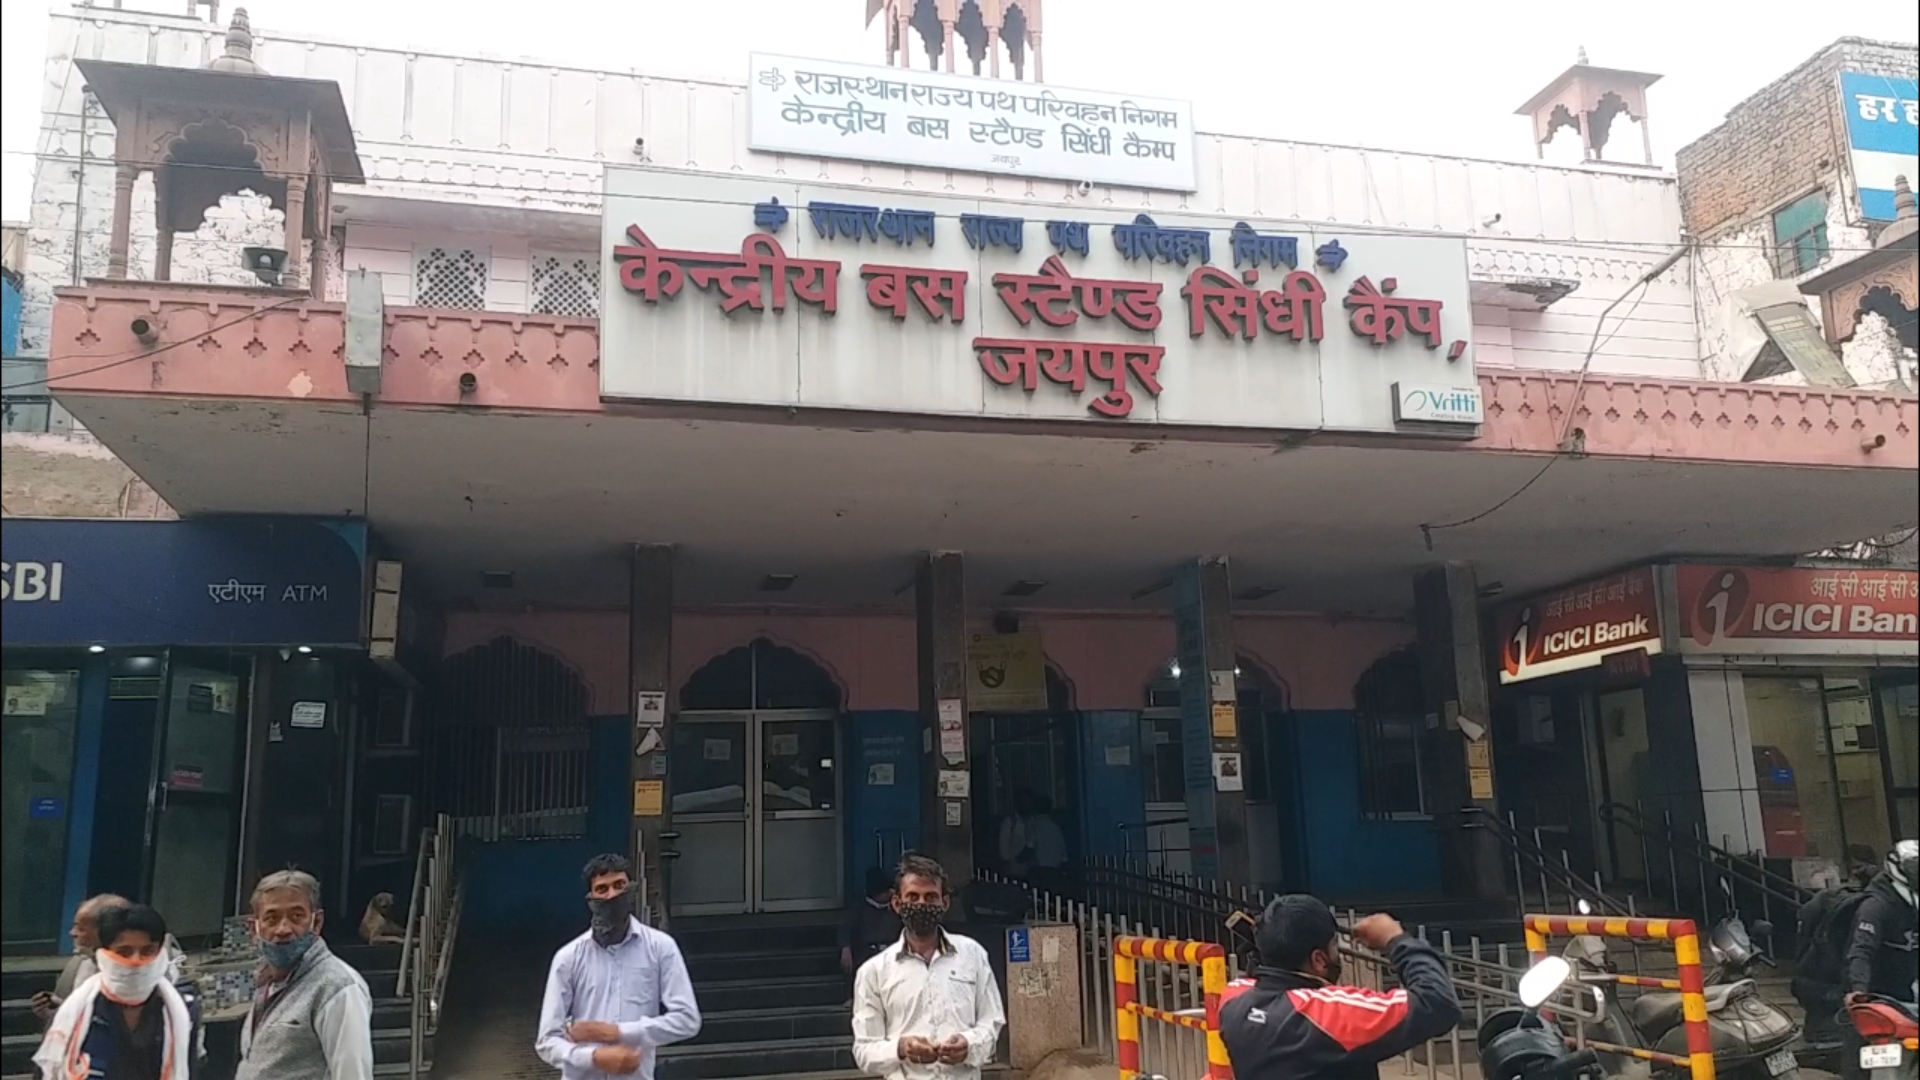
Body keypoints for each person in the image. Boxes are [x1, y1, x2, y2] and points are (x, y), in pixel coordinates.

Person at [1219, 895, 1462, 1080]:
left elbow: (1260, 980)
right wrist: (1396, 939)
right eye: (1334, 945)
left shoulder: (1233, 1000)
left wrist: (1270, 948)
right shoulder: (1325, 1016)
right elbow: (1436, 1003)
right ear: (1318, 960)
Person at [536, 853, 702, 1078]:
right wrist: (593, 1057)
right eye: (602, 889)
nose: (612, 894)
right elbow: (547, 1041)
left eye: (619, 885)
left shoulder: (661, 948)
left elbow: (687, 1020)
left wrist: (618, 1032)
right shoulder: (569, 958)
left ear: (631, 890)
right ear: (590, 898)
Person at [851, 853, 1006, 1080]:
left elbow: (992, 1023)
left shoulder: (972, 955)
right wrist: (901, 1048)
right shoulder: (873, 972)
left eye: (931, 897)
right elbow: (864, 1051)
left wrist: (968, 1045)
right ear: (896, 903)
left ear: (944, 903)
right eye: (912, 897)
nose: (921, 904)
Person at [33, 902, 202, 1080]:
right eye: (124, 952)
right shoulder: (74, 1013)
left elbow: (190, 1069)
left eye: (147, 951)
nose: (136, 961)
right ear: (103, 954)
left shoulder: (182, 1012)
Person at [235, 869, 375, 1080]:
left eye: (296, 916)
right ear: (253, 929)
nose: (283, 929)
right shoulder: (267, 981)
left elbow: (352, 1074)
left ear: (316, 923)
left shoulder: (337, 987)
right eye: (271, 919)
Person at [1841, 840, 1919, 1077]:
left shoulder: (1911, 904)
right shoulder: (1875, 906)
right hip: (1871, 996)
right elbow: (1861, 950)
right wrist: (1858, 989)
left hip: (1906, 991)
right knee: (1858, 1063)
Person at [32, 894, 129, 1028]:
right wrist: (51, 1011)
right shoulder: (76, 964)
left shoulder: (135, 976)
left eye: (81, 928)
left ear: (108, 931)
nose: (72, 933)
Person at [842, 869, 900, 1002]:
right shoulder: (859, 909)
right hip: (866, 951)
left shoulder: (897, 908)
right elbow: (845, 929)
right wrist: (845, 947)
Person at [998, 792, 1035, 878]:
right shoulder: (1009, 822)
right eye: (1024, 802)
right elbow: (1003, 847)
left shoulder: (1033, 821)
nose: (1027, 805)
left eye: (1029, 802)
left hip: (1031, 869)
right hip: (1014, 869)